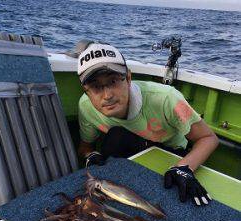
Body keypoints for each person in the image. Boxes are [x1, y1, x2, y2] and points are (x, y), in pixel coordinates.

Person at [76, 40, 219, 206]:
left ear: (128, 78)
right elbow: (85, 147)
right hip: (128, 152)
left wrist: (184, 167)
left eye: (113, 81)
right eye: (95, 87)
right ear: (86, 92)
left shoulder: (167, 98)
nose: (107, 95)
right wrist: (90, 155)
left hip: (171, 154)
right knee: (115, 138)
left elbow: (208, 138)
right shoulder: (85, 106)